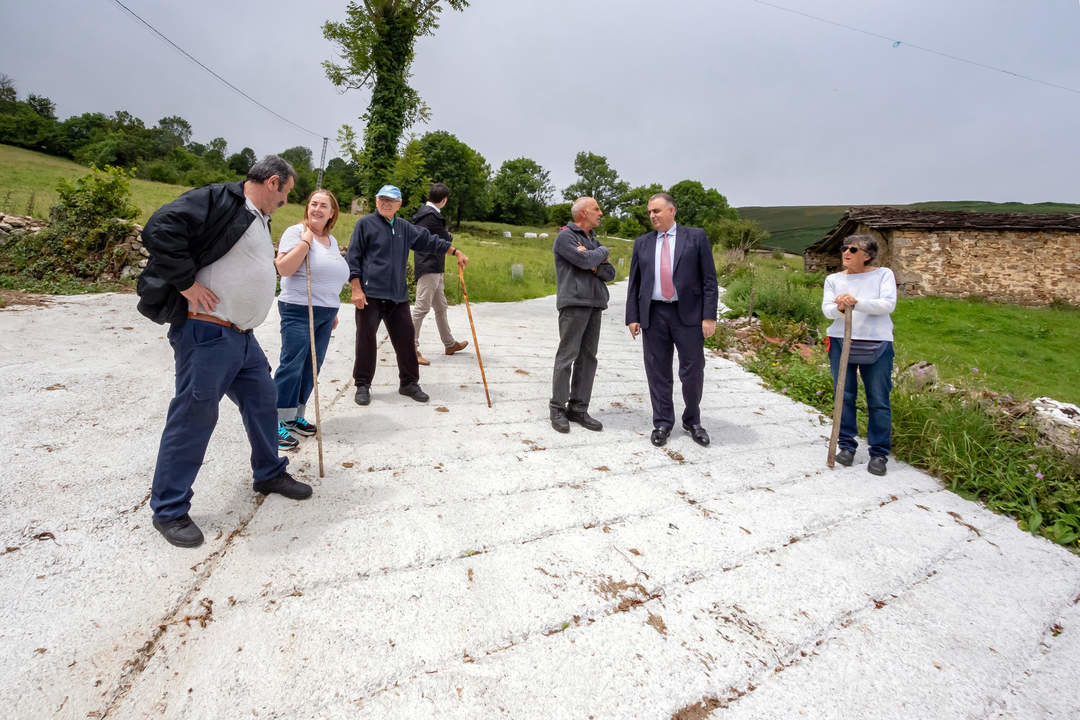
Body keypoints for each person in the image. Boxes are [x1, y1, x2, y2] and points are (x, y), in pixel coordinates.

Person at [136, 156, 313, 549]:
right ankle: (169, 509)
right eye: (285, 194)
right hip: (208, 334)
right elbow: (160, 227)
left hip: (242, 337)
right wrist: (185, 284)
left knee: (264, 402)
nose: (285, 203)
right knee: (194, 417)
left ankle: (269, 472)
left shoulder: (256, 215)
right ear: (272, 182)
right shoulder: (220, 200)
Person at [347, 185, 469, 405]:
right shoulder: (365, 224)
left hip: (397, 296)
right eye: (382, 199)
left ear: (399, 204)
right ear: (376, 202)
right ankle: (363, 384)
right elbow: (353, 257)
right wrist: (356, 288)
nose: (386, 203)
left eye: (391, 200)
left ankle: (409, 383)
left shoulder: (404, 227)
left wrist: (455, 251)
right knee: (365, 340)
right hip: (370, 295)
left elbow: (429, 241)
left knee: (406, 340)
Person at [625, 192, 718, 448]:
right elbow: (635, 283)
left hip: (687, 314)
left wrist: (709, 316)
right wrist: (632, 316)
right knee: (657, 372)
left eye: (656, 211)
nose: (652, 216)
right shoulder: (642, 243)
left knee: (692, 371)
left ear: (672, 211)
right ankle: (663, 422)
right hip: (654, 315)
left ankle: (692, 420)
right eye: (650, 212)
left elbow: (709, 279)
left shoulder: (695, 237)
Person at [272, 189, 350, 450]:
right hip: (298, 308)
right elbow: (283, 268)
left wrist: (333, 309)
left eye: (323, 205)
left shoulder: (330, 239)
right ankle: (275, 423)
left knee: (311, 367)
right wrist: (305, 242)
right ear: (307, 208)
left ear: (332, 213)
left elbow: (329, 277)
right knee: (292, 364)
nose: (317, 209)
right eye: (313, 204)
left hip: (325, 313)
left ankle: (294, 417)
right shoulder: (296, 233)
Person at [822, 234, 897, 476]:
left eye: (853, 249)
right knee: (843, 394)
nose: (846, 252)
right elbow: (828, 310)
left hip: (877, 341)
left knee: (878, 398)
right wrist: (841, 307)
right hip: (841, 340)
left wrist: (856, 302)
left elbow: (887, 304)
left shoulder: (883, 275)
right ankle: (846, 446)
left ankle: (879, 453)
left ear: (867, 255)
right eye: (844, 248)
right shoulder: (833, 279)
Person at [549, 197, 615, 433]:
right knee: (567, 356)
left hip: (595, 304)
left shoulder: (592, 240)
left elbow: (609, 272)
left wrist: (593, 258)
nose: (601, 212)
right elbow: (583, 260)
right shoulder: (566, 236)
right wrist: (602, 253)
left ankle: (578, 407)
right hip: (574, 303)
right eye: (596, 209)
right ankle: (557, 407)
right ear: (583, 213)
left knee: (588, 358)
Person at [411, 182, 469, 366]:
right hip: (428, 266)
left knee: (441, 307)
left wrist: (446, 236)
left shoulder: (426, 214)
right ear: (444, 200)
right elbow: (442, 240)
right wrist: (449, 237)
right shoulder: (431, 217)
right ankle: (410, 348)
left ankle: (449, 344)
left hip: (434, 266)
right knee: (421, 308)